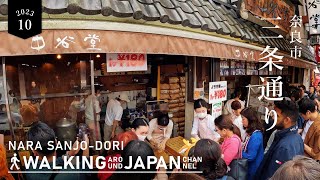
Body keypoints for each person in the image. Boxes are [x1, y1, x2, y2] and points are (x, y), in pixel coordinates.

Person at [255, 99, 304, 180]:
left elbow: (273, 175)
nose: (272, 117)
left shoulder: (284, 147)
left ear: (287, 120)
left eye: (276, 115)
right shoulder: (297, 137)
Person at [25, 122, 90, 180]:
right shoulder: (72, 174)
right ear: (56, 143)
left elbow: (51, 165)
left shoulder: (29, 172)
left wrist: (69, 154)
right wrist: (85, 146)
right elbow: (86, 174)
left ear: (34, 151)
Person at [240, 108, 264, 180]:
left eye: (243, 119)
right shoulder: (250, 132)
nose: (242, 121)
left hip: (253, 168)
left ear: (250, 120)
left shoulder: (256, 136)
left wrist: (237, 151)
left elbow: (250, 156)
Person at [85, 87, 102, 152]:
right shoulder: (95, 100)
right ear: (97, 92)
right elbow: (97, 111)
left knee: (91, 137)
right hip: (93, 121)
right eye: (99, 92)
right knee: (97, 138)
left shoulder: (87, 98)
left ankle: (93, 151)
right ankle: (98, 154)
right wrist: (100, 105)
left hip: (87, 121)